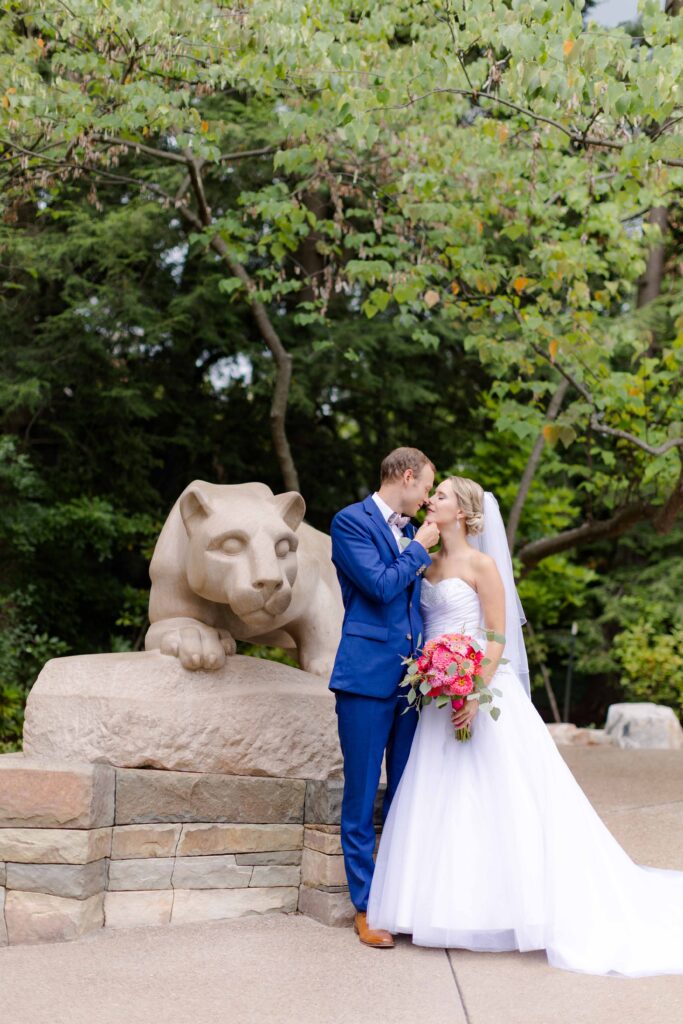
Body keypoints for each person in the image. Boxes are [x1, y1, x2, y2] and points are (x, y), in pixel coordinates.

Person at [367, 475, 683, 977]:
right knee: (438, 797)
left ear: (466, 513)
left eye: (442, 495)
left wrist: (474, 690)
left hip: (481, 694)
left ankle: (510, 910)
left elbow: (496, 636)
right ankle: (436, 907)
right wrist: (435, 676)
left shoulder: (482, 564)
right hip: (435, 697)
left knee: (499, 799)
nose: (432, 500)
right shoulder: (423, 561)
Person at [329, 447, 439, 948]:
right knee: (360, 794)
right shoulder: (350, 522)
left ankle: (399, 897)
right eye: (426, 488)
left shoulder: (415, 532)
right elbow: (378, 586)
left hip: (412, 683)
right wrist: (419, 550)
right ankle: (367, 908)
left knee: (403, 793)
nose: (427, 499)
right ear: (407, 477)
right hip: (365, 678)